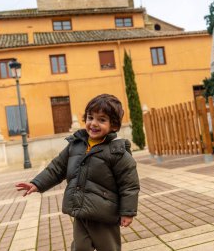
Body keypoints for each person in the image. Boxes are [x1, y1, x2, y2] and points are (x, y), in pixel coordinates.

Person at [16, 94, 140, 251]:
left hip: (104, 215)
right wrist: (37, 183)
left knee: (109, 248)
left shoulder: (117, 152)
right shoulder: (75, 145)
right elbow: (56, 168)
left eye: (102, 120)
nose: (94, 123)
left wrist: (127, 212)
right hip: (80, 211)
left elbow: (129, 185)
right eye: (90, 117)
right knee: (80, 248)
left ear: (113, 126)